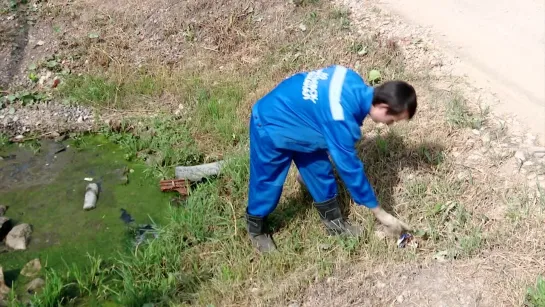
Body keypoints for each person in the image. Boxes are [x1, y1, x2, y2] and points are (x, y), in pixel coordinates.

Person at [246, 65, 417, 253]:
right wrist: (380, 213)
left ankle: (334, 224)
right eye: (392, 120)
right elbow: (350, 169)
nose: (390, 125)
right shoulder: (340, 117)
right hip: (271, 123)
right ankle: (256, 229)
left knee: (320, 173)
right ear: (383, 107)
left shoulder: (351, 78)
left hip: (304, 123)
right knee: (267, 183)